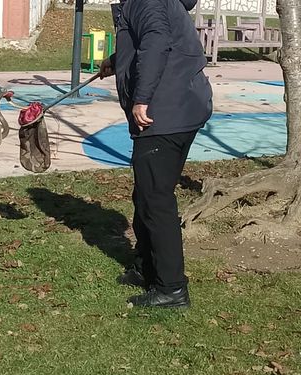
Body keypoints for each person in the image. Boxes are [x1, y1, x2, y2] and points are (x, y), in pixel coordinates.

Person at [99, 0, 213, 308]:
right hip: (181, 105)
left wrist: (142, 99)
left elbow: (157, 43)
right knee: (147, 194)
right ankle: (147, 266)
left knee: (156, 200)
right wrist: (116, 58)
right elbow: (152, 37)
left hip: (165, 112)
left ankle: (171, 289)